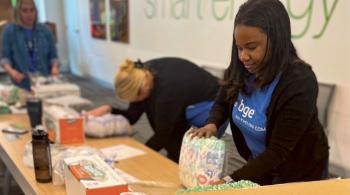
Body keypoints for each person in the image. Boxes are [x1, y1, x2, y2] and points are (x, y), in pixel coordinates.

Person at [190, 0, 329, 185]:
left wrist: (231, 180)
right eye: (239, 48)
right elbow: (223, 100)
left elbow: (277, 152)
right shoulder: (241, 67)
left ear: (276, 41)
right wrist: (212, 123)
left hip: (298, 173)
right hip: (259, 166)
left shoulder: (300, 82)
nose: (243, 56)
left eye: (251, 47)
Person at [88, 57, 220, 162]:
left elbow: (162, 135)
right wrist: (109, 109)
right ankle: (175, 161)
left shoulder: (166, 94)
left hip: (211, 100)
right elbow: (132, 116)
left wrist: (140, 153)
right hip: (179, 92)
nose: (134, 103)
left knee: (195, 149)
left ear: (142, 90)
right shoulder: (139, 75)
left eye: (135, 99)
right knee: (170, 135)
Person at [0, 0, 59, 91]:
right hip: (21, 83)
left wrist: (54, 68)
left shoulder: (45, 30)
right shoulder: (9, 31)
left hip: (44, 82)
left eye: (32, 10)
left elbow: (53, 56)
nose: (29, 14)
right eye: (25, 11)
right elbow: (4, 58)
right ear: (18, 13)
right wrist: (12, 72)